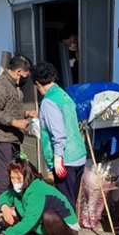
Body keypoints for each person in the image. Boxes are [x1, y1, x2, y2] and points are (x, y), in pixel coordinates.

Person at [0, 158, 79, 235]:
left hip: (68, 231)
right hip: (45, 229)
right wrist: (4, 207)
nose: (15, 182)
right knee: (13, 212)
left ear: (27, 176)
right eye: (12, 178)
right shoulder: (19, 189)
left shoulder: (37, 190)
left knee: (49, 216)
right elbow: (5, 196)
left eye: (18, 178)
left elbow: (29, 221)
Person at [0, 54, 38, 218]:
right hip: (1, 138)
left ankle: (9, 204)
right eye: (25, 76)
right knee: (5, 174)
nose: (26, 79)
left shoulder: (12, 86)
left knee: (15, 172)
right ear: (18, 71)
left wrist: (26, 113)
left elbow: (10, 108)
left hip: (12, 138)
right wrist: (15, 122)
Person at [31, 62, 86, 211]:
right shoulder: (64, 95)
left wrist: (57, 157)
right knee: (71, 200)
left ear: (37, 83)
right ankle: (71, 230)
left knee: (65, 205)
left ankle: (68, 232)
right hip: (78, 154)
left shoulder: (49, 102)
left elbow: (58, 134)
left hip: (65, 159)